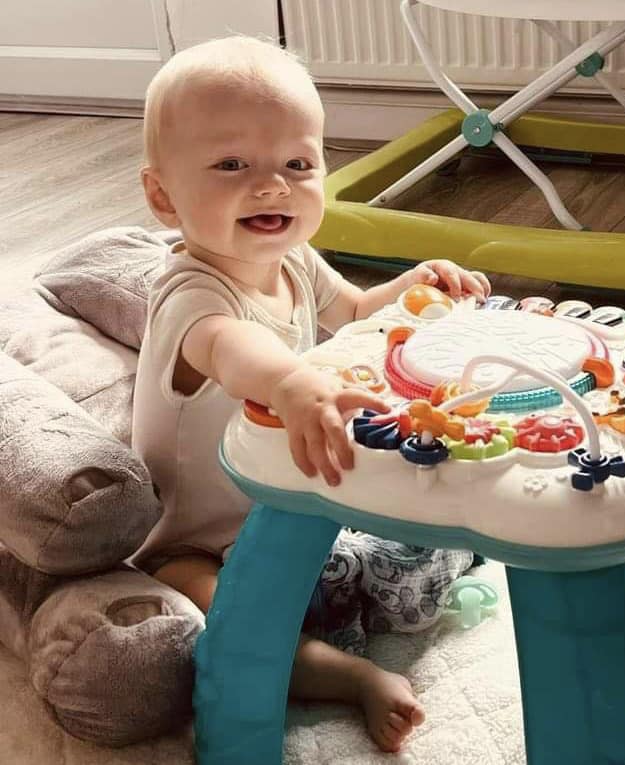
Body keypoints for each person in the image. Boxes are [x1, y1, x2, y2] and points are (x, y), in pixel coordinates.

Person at [131, 35, 491, 753]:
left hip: (286, 502)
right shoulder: (189, 293)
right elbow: (236, 352)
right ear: (163, 196)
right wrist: (294, 382)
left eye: (298, 164)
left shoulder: (292, 259)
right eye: (232, 164)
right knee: (233, 623)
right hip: (195, 538)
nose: (273, 186)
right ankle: (351, 675)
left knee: (423, 491)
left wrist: (407, 288)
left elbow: (356, 312)